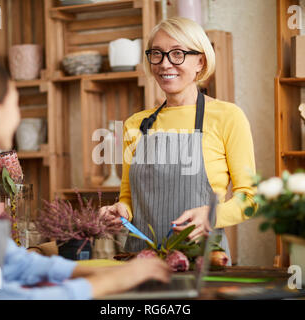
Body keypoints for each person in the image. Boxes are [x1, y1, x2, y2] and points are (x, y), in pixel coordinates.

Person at [0, 58, 170, 299]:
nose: (18, 118)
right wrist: (105, 283)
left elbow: (8, 261)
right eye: (15, 105)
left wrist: (97, 270)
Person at [100, 17, 256, 260]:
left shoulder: (228, 117)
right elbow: (128, 199)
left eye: (177, 54)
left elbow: (250, 199)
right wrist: (120, 212)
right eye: (157, 54)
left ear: (200, 61)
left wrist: (211, 216)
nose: (165, 64)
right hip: (141, 263)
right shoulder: (135, 125)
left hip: (202, 262)